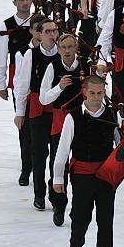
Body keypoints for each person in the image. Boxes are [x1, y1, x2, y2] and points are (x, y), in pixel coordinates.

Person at [53, 75, 124, 247]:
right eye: (92, 93)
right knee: (81, 218)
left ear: (105, 92)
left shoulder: (112, 115)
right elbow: (62, 150)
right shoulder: (73, 117)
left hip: (105, 176)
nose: (96, 97)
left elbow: (121, 144)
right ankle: (75, 243)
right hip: (81, 176)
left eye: (100, 93)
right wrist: (58, 179)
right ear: (85, 92)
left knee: (106, 221)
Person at [38, 32, 92, 226]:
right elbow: (43, 99)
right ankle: (58, 203)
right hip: (60, 120)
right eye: (64, 48)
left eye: (71, 47)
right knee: (58, 161)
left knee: (80, 163)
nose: (67, 51)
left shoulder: (86, 66)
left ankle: (78, 205)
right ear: (58, 49)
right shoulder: (53, 67)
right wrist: (59, 87)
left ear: (76, 48)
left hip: (82, 120)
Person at [13, 17, 60, 211]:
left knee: (58, 154)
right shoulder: (30, 55)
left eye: (54, 30)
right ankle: (39, 193)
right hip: (38, 109)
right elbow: (22, 84)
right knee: (39, 153)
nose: (52, 34)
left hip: (58, 110)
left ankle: (55, 192)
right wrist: (19, 112)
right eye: (48, 31)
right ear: (39, 34)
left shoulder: (64, 53)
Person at [0, 0, 35, 185]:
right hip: (17, 80)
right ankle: (26, 163)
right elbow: (0, 56)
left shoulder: (39, 22)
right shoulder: (7, 25)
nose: (25, 3)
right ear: (14, 2)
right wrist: (1, 84)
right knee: (23, 123)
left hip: (40, 78)